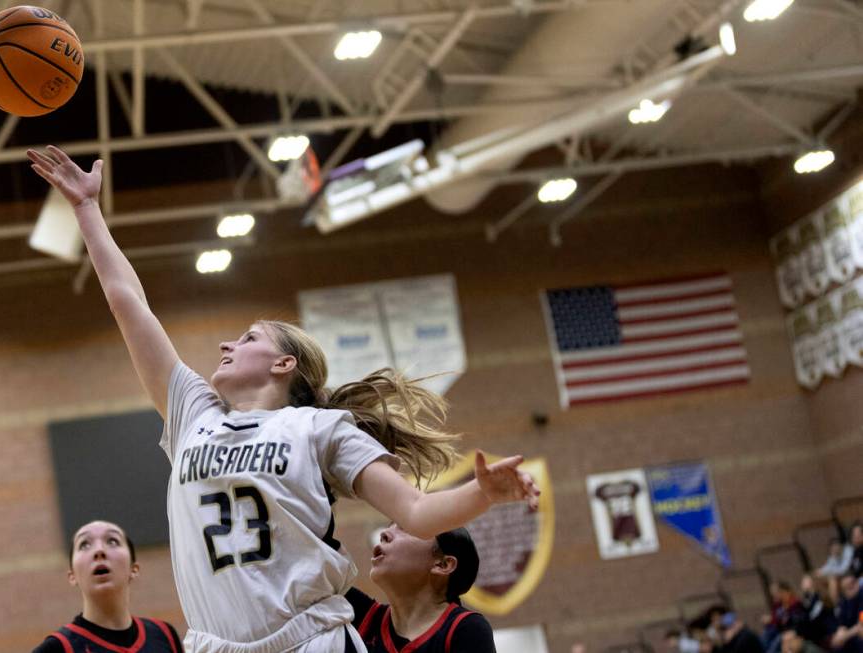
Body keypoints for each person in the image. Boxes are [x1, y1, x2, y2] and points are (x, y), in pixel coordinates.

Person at [26, 146, 540, 653]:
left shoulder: (321, 428)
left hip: (311, 640)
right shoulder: (192, 415)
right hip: (216, 645)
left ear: (283, 363)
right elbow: (127, 301)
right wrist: (86, 210)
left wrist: (484, 494)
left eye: (249, 338)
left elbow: (416, 511)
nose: (228, 344)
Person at [31, 520, 183, 653]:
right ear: (72, 575)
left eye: (112, 541)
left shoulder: (164, 634)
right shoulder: (57, 648)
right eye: (85, 544)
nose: (99, 551)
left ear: (133, 569)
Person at [346, 525, 495, 652]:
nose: (384, 533)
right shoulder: (358, 613)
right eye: (390, 525)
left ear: (442, 565)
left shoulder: (467, 629)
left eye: (406, 528)